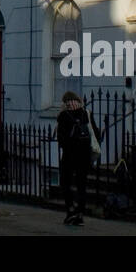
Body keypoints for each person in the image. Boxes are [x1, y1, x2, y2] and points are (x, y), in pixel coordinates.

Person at [56, 90, 96, 225]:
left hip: (69, 154)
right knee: (81, 184)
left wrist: (67, 145)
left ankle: (70, 209)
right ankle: (80, 213)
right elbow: (95, 133)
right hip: (84, 155)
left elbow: (61, 138)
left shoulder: (63, 115)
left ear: (65, 102)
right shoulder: (86, 113)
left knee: (65, 182)